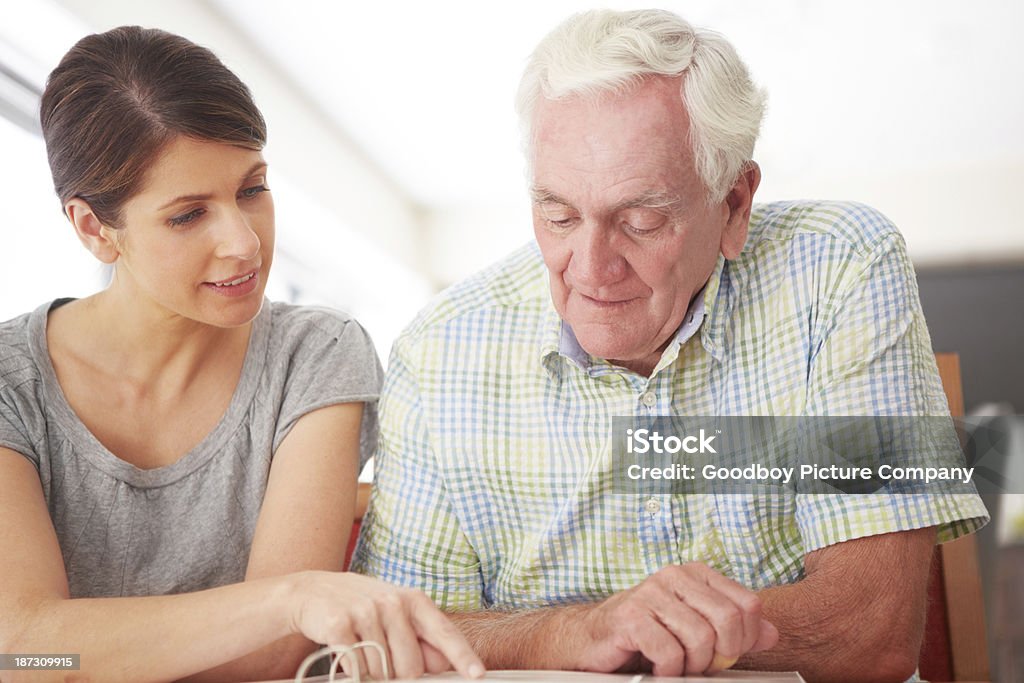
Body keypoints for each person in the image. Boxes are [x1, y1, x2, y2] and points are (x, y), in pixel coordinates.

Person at [352, 8, 989, 682]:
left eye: (642, 220)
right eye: (558, 214)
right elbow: (392, 640)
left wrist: (647, 637)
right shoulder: (439, 349)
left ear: (735, 205)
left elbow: (871, 631)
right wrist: (579, 630)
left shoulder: (843, 268)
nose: (591, 267)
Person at [0, 26, 483, 683]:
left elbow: (275, 654)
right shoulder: (10, 383)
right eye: (188, 214)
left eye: (252, 189)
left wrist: (86, 651)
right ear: (94, 228)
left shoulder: (314, 355)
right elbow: (23, 651)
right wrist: (289, 600)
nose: (244, 244)